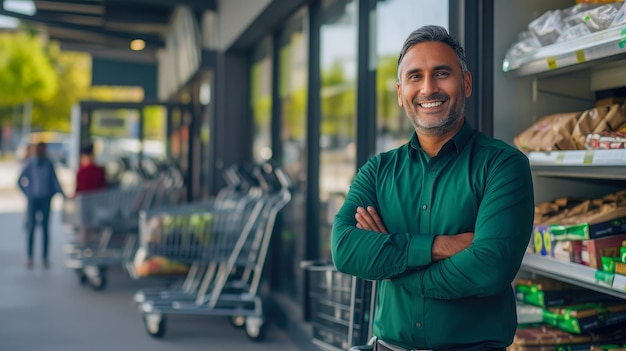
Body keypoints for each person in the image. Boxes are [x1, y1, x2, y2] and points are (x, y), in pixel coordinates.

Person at [331, 25, 534, 351]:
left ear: (465, 84)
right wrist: (439, 246)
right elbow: (345, 248)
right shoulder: (378, 171)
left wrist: (394, 267)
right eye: (415, 77)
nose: (428, 88)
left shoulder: (502, 165)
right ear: (400, 93)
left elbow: (489, 268)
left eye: (442, 73)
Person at [17, 142, 65, 269]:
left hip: (45, 199)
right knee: (31, 228)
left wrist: (60, 193)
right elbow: (20, 180)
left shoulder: (48, 163)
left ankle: (44, 258)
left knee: (45, 229)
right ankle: (29, 256)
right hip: (33, 199)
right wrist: (28, 193)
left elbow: (55, 180)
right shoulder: (30, 163)